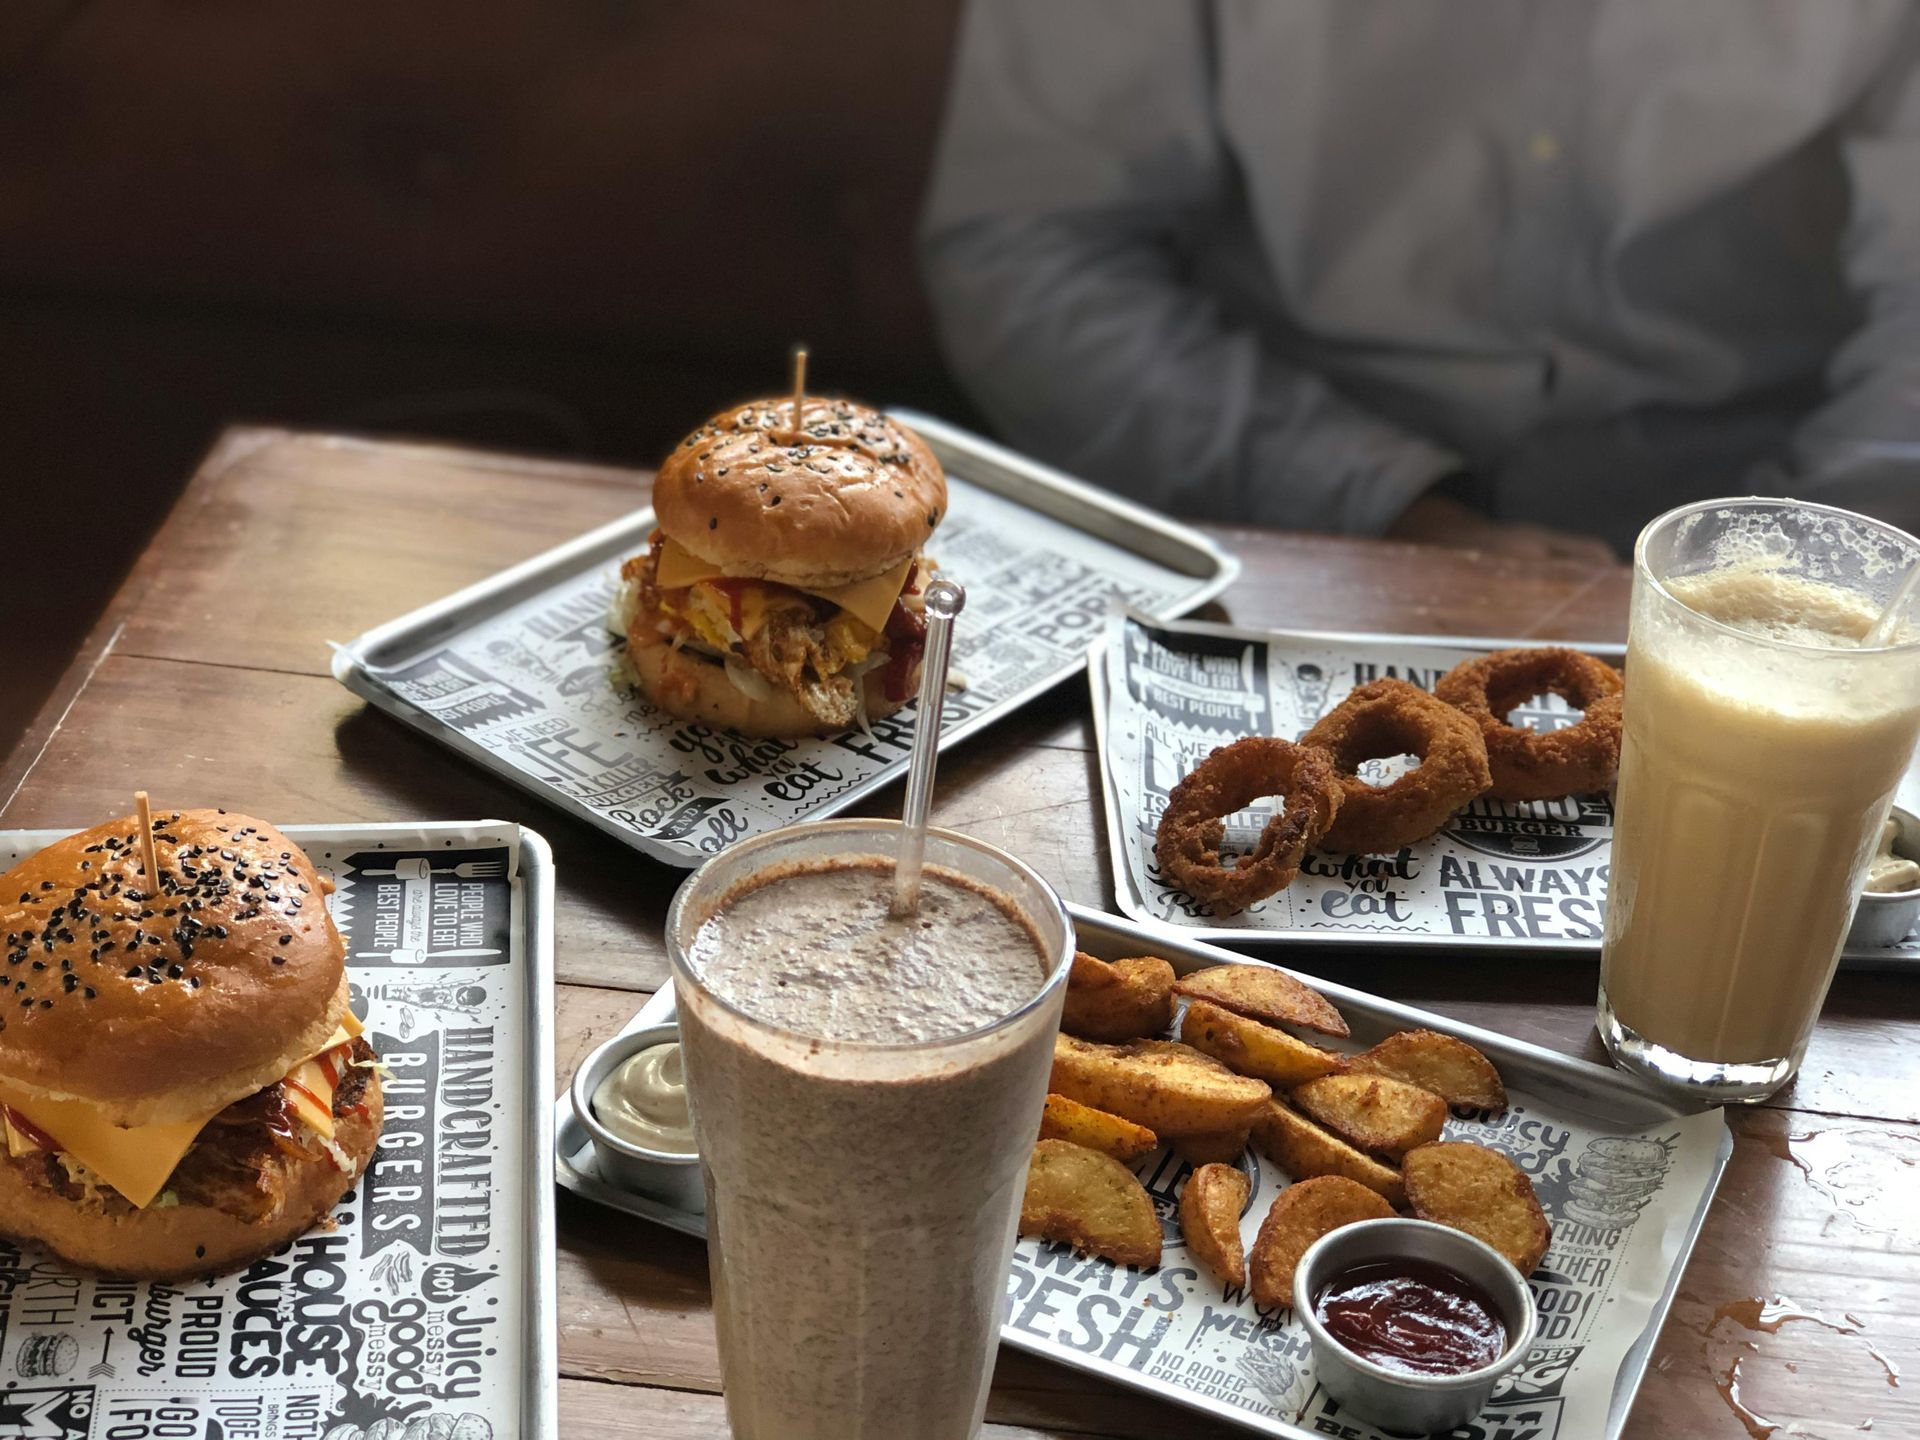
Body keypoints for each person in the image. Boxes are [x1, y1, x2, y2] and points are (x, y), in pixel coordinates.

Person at [919, 1, 1920, 561]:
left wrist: (1792, 580)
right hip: (1282, 526)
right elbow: (1029, 246)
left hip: (1780, 528)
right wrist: (1387, 507)